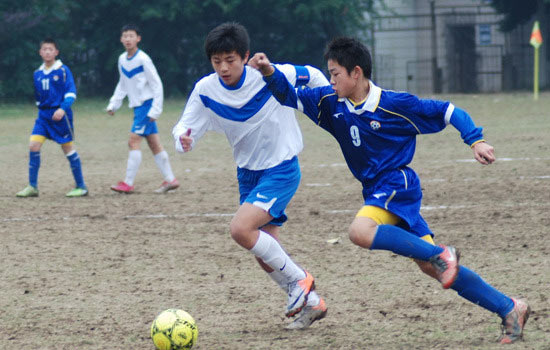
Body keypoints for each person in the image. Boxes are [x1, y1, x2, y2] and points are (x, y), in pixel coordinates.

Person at [249, 37, 530, 344]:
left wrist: (475, 140)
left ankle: (442, 254)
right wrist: (267, 71)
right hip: (377, 192)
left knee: (360, 231)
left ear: (356, 73)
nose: (330, 80)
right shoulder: (329, 103)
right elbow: (288, 95)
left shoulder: (395, 105)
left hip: (397, 184)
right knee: (431, 268)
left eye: (335, 73)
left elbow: (449, 111)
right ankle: (510, 308)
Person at [172, 22, 329, 329]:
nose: (223, 67)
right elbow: (183, 127)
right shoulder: (206, 90)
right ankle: (311, 303)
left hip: (281, 168)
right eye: (217, 62)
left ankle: (301, 282)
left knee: (240, 229)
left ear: (244, 56)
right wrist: (183, 139)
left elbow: (311, 74)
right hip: (248, 175)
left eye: (230, 60)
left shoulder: (268, 73)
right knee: (262, 250)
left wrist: (325, 101)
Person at [106, 24, 179, 194]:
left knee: (133, 141)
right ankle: (170, 180)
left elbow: (156, 84)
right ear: (121, 39)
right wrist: (114, 104)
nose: (128, 39)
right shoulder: (122, 59)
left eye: (131, 36)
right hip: (138, 107)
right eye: (125, 36)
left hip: (146, 106)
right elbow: (123, 83)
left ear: (138, 38)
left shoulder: (143, 59)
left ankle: (128, 183)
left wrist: (155, 110)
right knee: (154, 144)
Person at [16, 38, 88, 198]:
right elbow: (38, 96)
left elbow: (71, 93)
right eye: (44, 49)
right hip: (43, 117)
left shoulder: (63, 70)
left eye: (51, 49)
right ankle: (32, 186)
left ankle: (81, 186)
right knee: (33, 146)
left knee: (68, 149)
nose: (47, 52)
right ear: (40, 52)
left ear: (56, 52)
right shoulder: (38, 73)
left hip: (61, 117)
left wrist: (62, 109)